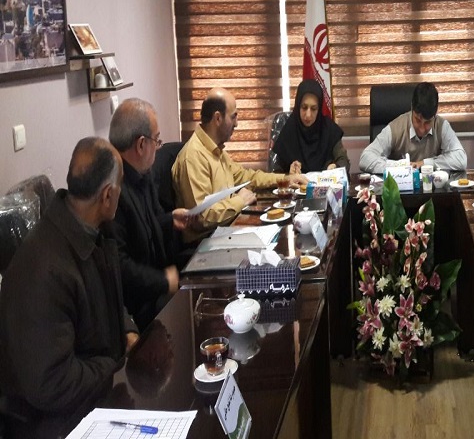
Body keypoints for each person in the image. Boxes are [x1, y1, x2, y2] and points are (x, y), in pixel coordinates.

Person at [0, 138, 138, 438]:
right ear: (108, 195)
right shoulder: (44, 269)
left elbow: (107, 295)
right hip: (55, 422)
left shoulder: (90, 231)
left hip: (95, 396)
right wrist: (113, 365)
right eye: (120, 187)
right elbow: (52, 384)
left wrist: (126, 328)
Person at [172, 87, 307, 242]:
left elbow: (247, 177)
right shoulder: (193, 157)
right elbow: (202, 217)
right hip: (206, 242)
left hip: (228, 231)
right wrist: (240, 201)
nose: (236, 123)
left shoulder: (216, 150)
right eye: (233, 116)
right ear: (218, 118)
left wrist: (286, 179)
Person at [107, 98, 193, 330]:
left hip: (161, 285)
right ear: (141, 144)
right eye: (157, 140)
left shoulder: (144, 175)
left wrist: (170, 219)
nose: (159, 147)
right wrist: (163, 281)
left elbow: (149, 223)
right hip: (140, 307)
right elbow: (119, 265)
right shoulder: (112, 191)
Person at [359, 81, 467, 174]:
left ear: (435, 115)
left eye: (427, 122)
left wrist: (426, 163)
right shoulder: (396, 127)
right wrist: (399, 166)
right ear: (412, 108)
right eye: (418, 120)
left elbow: (461, 159)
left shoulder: (441, 126)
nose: (422, 129)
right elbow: (365, 158)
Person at [273, 79, 350, 174]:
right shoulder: (289, 130)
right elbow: (277, 172)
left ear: (319, 109)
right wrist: (289, 173)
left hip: (325, 182)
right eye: (304, 108)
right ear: (298, 106)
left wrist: (335, 167)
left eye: (313, 109)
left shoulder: (329, 129)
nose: (308, 115)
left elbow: (344, 161)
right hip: (296, 183)